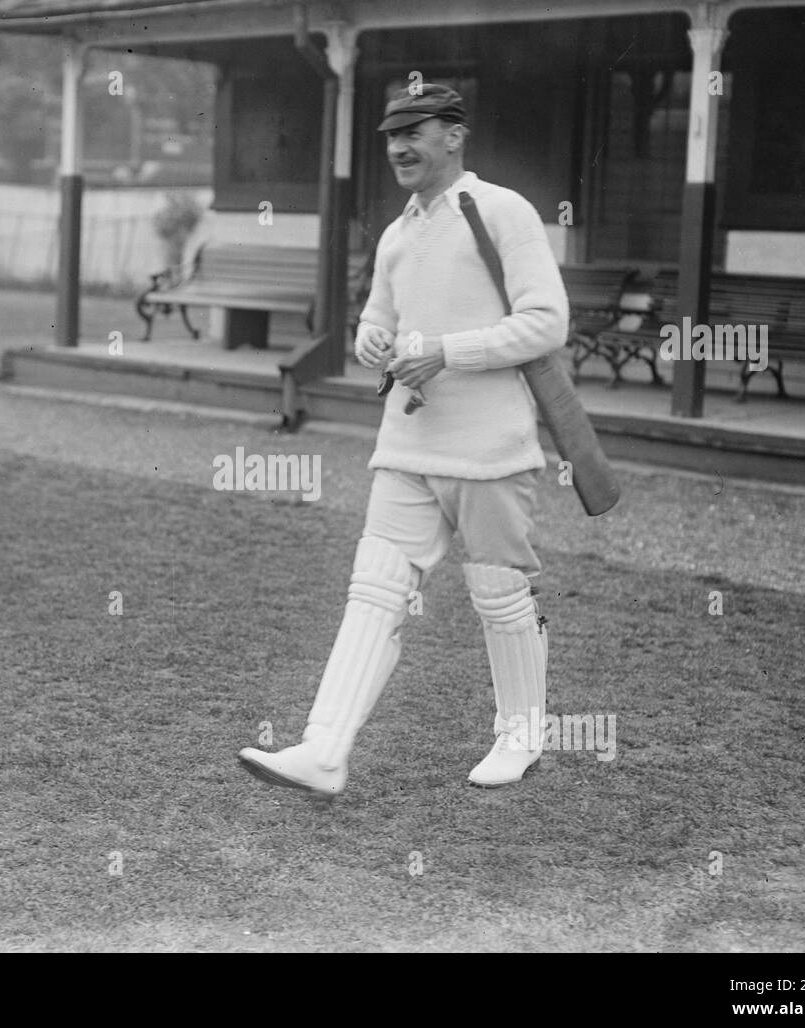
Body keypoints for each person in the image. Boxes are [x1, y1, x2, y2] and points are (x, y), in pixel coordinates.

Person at [238, 84, 569, 798]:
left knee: (499, 594)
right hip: (407, 443)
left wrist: (451, 350)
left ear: (456, 136)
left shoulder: (503, 211)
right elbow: (375, 323)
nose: (398, 147)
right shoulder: (397, 233)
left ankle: (520, 736)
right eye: (391, 135)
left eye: (415, 132)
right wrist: (371, 340)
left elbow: (547, 323)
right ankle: (325, 750)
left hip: (491, 450)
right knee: (374, 588)